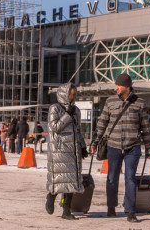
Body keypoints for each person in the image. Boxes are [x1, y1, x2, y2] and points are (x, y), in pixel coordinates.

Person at [90, 73, 150, 223]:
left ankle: (130, 211)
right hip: (113, 146)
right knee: (112, 178)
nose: (116, 88)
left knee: (130, 178)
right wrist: (94, 144)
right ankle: (111, 207)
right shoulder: (110, 101)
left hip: (133, 147)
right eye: (116, 85)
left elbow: (146, 129)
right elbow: (101, 124)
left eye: (118, 85)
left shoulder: (140, 103)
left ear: (127, 87)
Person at [45, 82, 88, 220]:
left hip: (73, 151)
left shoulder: (76, 110)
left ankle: (66, 211)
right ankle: (51, 197)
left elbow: (78, 130)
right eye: (70, 94)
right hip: (59, 151)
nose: (71, 97)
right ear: (63, 94)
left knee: (71, 181)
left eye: (74, 94)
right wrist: (67, 115)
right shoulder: (55, 109)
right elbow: (55, 127)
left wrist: (82, 146)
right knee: (59, 180)